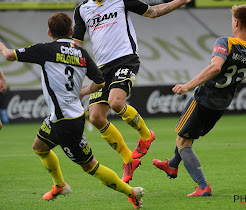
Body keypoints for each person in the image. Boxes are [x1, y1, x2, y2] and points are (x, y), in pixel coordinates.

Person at [0, 13, 145, 209]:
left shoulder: (45, 50)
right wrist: (83, 92)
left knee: (90, 166)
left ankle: (132, 192)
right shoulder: (82, 54)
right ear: (70, 32)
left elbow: (9, 55)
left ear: (50, 33)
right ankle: (60, 185)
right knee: (39, 147)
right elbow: (101, 82)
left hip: (66, 123)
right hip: (64, 116)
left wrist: (1, 45)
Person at [153, 4, 246, 197]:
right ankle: (172, 165)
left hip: (204, 98)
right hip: (221, 104)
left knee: (183, 142)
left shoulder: (225, 42)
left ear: (236, 22)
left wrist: (188, 86)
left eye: (232, 19)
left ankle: (203, 187)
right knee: (187, 134)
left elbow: (215, 68)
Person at [73, 0, 198, 183]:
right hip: (101, 68)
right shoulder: (82, 10)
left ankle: (145, 134)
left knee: (115, 102)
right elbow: (76, 45)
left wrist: (181, 0)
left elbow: (152, 12)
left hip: (125, 59)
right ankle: (127, 159)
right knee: (95, 117)